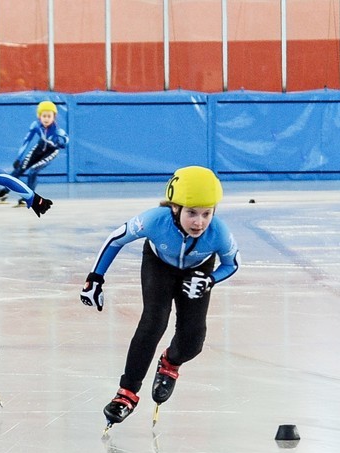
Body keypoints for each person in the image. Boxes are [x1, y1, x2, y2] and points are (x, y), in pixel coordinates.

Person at [80, 166, 240, 430]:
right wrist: (95, 277)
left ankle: (170, 363)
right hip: (159, 265)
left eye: (206, 214)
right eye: (191, 213)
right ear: (175, 208)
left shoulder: (219, 233)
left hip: (198, 272)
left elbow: (232, 263)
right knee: (153, 322)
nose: (199, 222)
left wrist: (209, 280)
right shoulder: (155, 220)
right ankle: (127, 392)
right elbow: (115, 239)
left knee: (193, 340)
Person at [0, 100, 69, 206]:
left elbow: (66, 140)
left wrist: (61, 144)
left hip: (51, 151)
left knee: (33, 171)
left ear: (54, 117)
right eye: (44, 116)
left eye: (49, 116)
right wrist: (19, 158)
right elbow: (26, 141)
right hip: (39, 148)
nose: (46, 119)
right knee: (19, 169)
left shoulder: (58, 131)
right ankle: (3, 192)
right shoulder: (36, 125)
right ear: (39, 116)